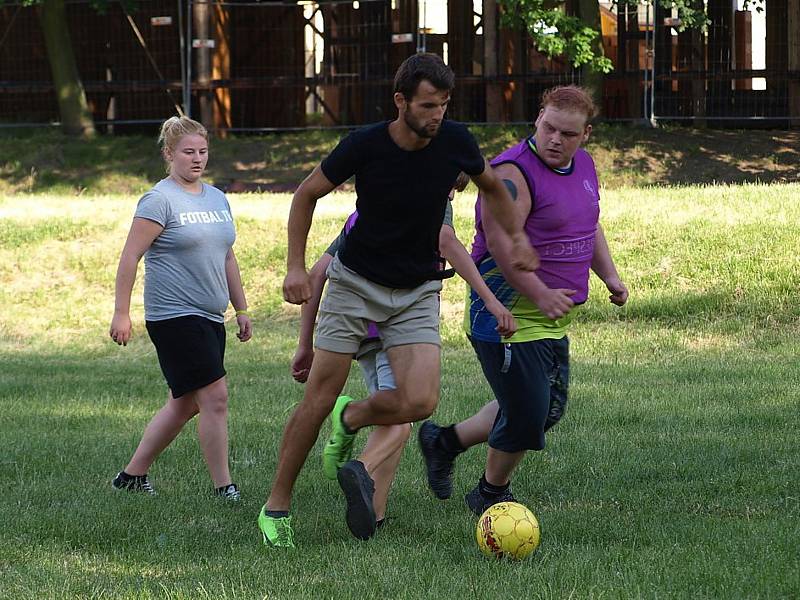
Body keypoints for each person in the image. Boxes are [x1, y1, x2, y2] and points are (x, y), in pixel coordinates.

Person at [259, 52, 537, 548]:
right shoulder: (365, 145)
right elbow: (305, 196)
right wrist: (296, 267)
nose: (437, 115)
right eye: (428, 105)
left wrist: (514, 236)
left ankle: (353, 417)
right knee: (317, 397)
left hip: (415, 291)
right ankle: (276, 507)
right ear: (400, 101)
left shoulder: (454, 141)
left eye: (445, 105)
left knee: (422, 400)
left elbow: (492, 186)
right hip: (355, 283)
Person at [418, 85, 629, 515]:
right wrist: (540, 293)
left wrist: (608, 275)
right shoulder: (512, 173)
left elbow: (588, 226)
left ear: (585, 134)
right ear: (537, 119)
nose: (555, 139)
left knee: (544, 408)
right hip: (505, 313)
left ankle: (444, 441)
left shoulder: (584, 166)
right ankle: (490, 493)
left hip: (550, 314)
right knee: (529, 411)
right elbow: (501, 245)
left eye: (567, 134)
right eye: (549, 127)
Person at [290, 187, 516, 540]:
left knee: (397, 415)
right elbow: (447, 242)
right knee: (403, 411)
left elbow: (318, 272)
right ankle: (358, 460)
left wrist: (305, 344)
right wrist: (489, 298)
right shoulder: (434, 200)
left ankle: (373, 515)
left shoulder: (368, 213)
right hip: (393, 327)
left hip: (359, 330)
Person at [109, 116, 252, 501]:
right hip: (173, 315)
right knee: (215, 397)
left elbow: (227, 257)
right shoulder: (159, 200)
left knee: (186, 402)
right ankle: (225, 487)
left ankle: (131, 476)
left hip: (210, 315)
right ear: (169, 153)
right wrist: (122, 313)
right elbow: (130, 257)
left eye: (203, 151)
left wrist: (241, 308)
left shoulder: (217, 198)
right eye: (188, 152)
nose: (197, 159)